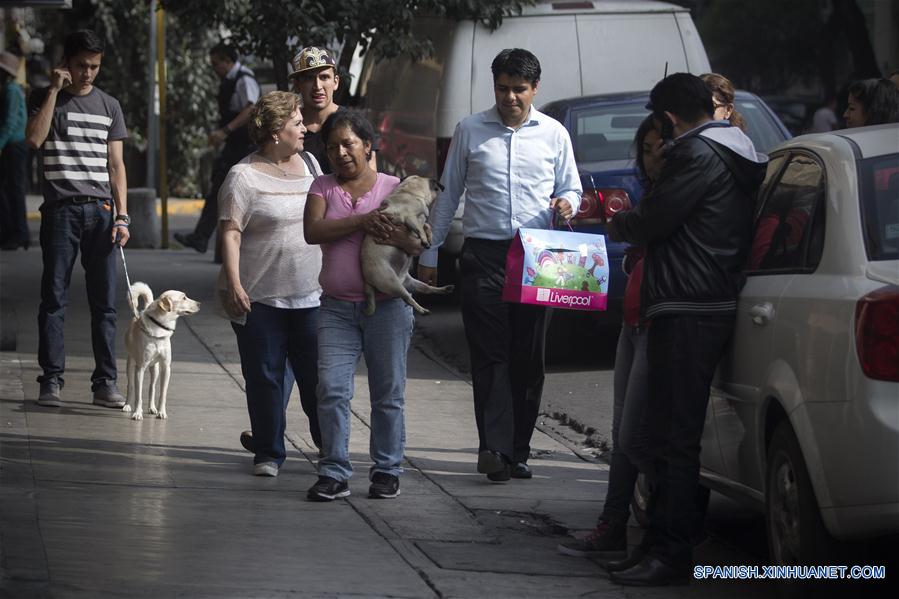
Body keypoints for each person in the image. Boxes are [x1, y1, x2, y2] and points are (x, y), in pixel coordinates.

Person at [605, 73, 767, 586]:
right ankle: (656, 542)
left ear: (670, 118)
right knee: (666, 434)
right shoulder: (734, 150)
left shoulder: (697, 155)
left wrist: (619, 221)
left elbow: (654, 220)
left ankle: (671, 553)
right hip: (698, 300)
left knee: (674, 438)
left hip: (687, 303)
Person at [417, 48, 582, 482]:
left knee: (528, 357)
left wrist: (568, 202)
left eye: (519, 89)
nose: (510, 97)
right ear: (494, 87)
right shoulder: (470, 130)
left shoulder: (554, 134)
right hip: (483, 256)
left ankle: (519, 450)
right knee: (489, 356)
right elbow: (448, 195)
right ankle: (493, 448)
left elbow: (573, 188)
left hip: (538, 255)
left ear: (535, 89)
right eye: (503, 88)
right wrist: (430, 254)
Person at [303, 109, 423, 502]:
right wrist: (361, 222)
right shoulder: (322, 187)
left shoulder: (395, 187)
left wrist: (399, 236)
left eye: (348, 144)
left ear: (368, 146)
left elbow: (420, 243)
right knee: (332, 389)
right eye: (333, 146)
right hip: (336, 308)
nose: (340, 153)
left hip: (387, 308)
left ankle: (387, 470)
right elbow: (312, 231)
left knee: (388, 392)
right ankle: (334, 471)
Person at [557, 116, 662, 559]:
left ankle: (659, 539)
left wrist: (626, 227)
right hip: (633, 321)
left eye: (662, 147)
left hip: (659, 323)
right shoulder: (656, 193)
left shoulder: (681, 195)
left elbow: (636, 228)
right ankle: (614, 525)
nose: (653, 156)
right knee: (623, 434)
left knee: (638, 437)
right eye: (648, 148)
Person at [219, 91, 323, 477]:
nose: (305, 129)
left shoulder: (312, 164)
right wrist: (234, 284)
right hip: (259, 297)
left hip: (312, 295)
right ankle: (268, 452)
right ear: (277, 131)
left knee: (317, 380)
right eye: (297, 123)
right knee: (265, 378)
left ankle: (328, 444)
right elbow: (230, 234)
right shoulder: (242, 176)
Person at [25, 29, 130, 408]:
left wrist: (122, 217)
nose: (88, 73)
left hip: (101, 213)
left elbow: (116, 166)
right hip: (60, 212)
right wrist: (53, 91)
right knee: (53, 299)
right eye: (82, 65)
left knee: (105, 303)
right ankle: (50, 380)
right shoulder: (44, 97)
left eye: (95, 66)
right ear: (66, 63)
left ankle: (105, 383)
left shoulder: (109, 106)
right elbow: (34, 140)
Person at [176, 42, 259, 253]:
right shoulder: (229, 81)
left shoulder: (244, 79)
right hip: (234, 144)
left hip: (245, 145)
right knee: (220, 188)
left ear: (227, 60)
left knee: (226, 188)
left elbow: (251, 109)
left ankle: (205, 238)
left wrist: (225, 131)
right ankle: (204, 238)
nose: (214, 69)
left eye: (216, 63)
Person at [288, 46, 377, 174]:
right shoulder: (287, 127)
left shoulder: (356, 124)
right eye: (309, 78)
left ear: (335, 82)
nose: (317, 86)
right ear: (297, 85)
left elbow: (371, 182)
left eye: (324, 77)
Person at [0, 50, 29, 250]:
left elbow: (9, 122)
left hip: (14, 145)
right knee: (11, 189)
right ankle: (16, 233)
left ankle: (18, 234)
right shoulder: (11, 89)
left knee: (13, 190)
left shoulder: (11, 90)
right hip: (14, 144)